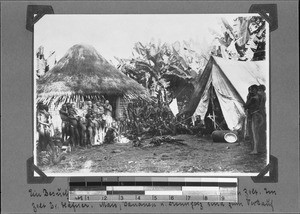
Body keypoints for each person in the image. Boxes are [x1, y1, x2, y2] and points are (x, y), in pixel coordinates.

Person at [244, 85, 264, 154]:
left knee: (255, 133)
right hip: (257, 115)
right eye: (250, 90)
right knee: (256, 133)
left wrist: (249, 97)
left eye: (252, 90)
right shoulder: (259, 96)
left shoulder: (254, 98)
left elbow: (246, 105)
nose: (251, 91)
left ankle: (255, 149)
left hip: (255, 115)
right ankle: (258, 148)